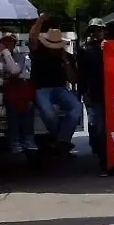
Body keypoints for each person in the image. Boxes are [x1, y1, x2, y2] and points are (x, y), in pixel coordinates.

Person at [28, 14, 82, 156]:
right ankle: (62, 141)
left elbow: (73, 80)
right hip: (41, 88)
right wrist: (40, 20)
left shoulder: (64, 55)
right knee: (48, 113)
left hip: (60, 88)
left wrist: (67, 62)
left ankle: (60, 141)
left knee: (77, 107)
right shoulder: (39, 51)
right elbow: (32, 37)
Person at [0, 34, 37, 156]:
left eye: (13, 42)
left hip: (20, 89)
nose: (11, 45)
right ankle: (15, 142)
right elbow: (13, 71)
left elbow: (15, 70)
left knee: (27, 114)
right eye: (7, 42)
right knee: (13, 117)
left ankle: (28, 140)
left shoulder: (19, 56)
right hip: (10, 91)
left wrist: (5, 53)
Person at [76, 20, 106, 165]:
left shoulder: (108, 46)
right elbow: (81, 73)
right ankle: (98, 152)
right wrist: (83, 92)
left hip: (109, 92)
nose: (97, 32)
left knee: (103, 126)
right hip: (92, 92)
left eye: (100, 29)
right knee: (95, 124)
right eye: (94, 30)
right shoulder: (84, 49)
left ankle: (103, 154)